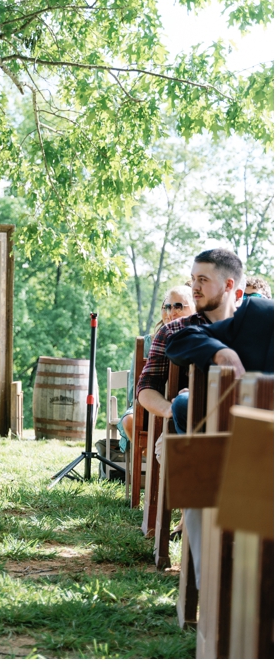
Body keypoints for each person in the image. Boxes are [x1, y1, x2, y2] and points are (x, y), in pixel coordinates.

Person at [135, 248, 243, 591]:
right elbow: (145, 389)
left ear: (230, 287)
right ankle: (201, 544)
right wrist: (170, 410)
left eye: (203, 280)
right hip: (190, 429)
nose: (194, 287)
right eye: (192, 279)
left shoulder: (256, 325)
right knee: (183, 408)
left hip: (247, 430)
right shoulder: (175, 332)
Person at [118, 285, 195, 446]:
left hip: (186, 403)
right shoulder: (156, 339)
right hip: (153, 403)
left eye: (178, 306)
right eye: (167, 307)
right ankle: (148, 457)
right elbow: (139, 386)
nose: (171, 312)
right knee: (130, 420)